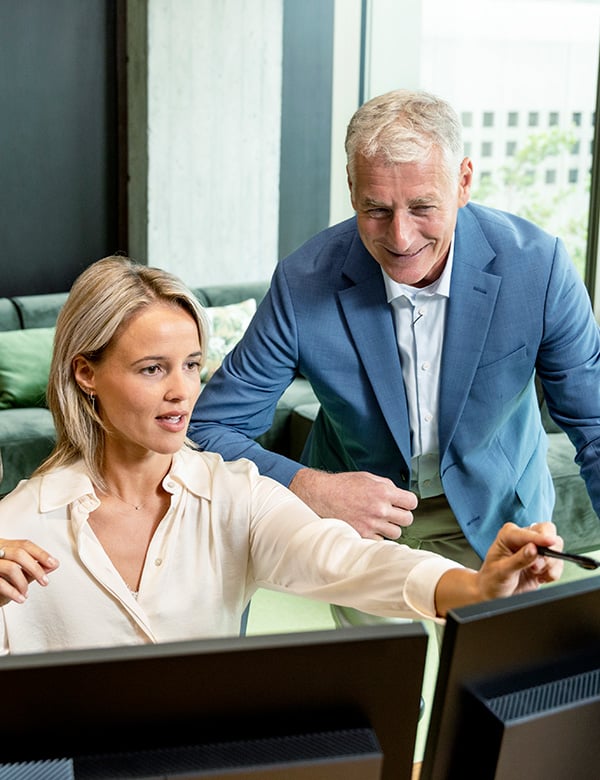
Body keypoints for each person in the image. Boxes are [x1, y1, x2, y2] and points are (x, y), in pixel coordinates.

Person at [0, 256, 563, 654]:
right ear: (86, 373)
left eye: (193, 365)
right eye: (153, 369)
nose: (183, 391)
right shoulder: (18, 524)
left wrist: (476, 586)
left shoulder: (236, 495)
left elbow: (350, 560)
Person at [188, 88, 600, 626]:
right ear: (351, 188)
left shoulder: (538, 267)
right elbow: (212, 427)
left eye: (424, 206)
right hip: (362, 524)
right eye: (376, 210)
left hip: (501, 516)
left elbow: (593, 422)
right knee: (385, 694)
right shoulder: (301, 280)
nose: (401, 238)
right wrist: (312, 487)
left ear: (464, 182)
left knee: (500, 687)